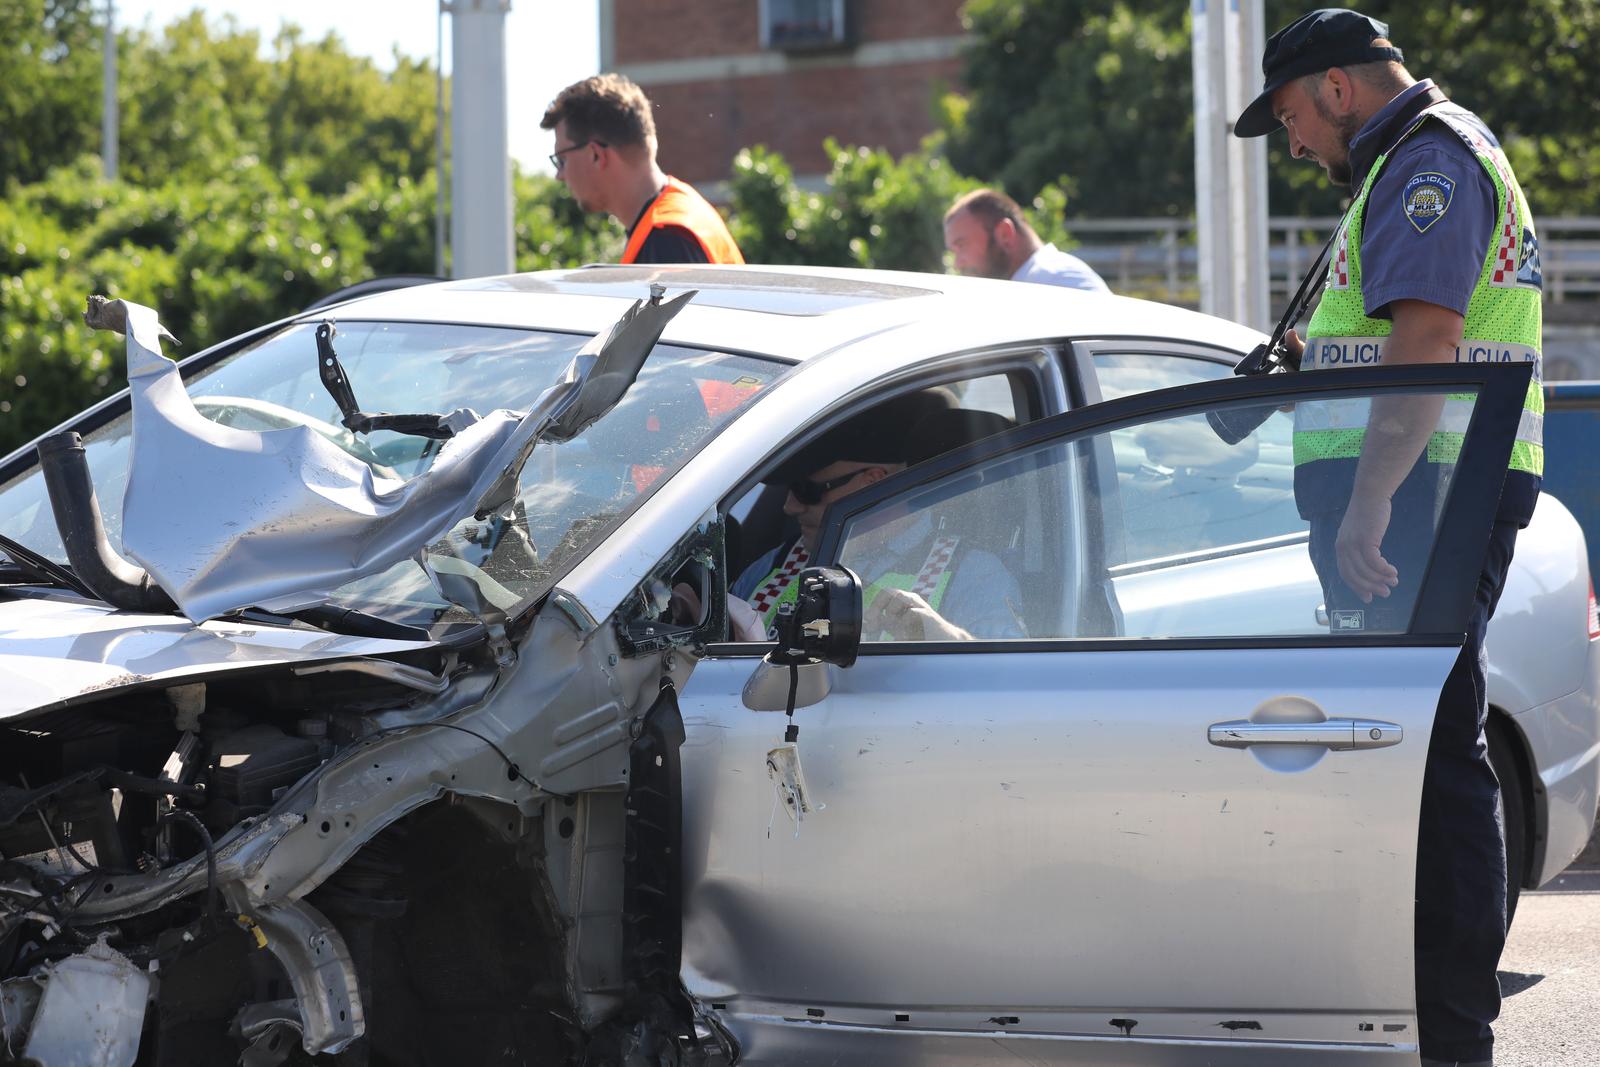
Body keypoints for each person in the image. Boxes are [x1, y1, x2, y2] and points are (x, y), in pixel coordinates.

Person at [1234, 10, 1544, 1067]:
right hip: (1429, 492)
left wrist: (1367, 503)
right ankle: (1432, 1006)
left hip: (1424, 495)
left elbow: (1423, 341)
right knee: (1425, 747)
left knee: (1429, 753)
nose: (1292, 144)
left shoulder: (1428, 162)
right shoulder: (1416, 160)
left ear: (1332, 87)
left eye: (1286, 118)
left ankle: (1448, 1019)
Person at [729, 392, 1025, 643]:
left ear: (871, 482)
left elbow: (1014, 687)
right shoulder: (774, 565)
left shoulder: (974, 575)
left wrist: (943, 637)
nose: (790, 507)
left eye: (807, 490)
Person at [540, 73, 744, 265]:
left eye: (562, 160)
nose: (559, 176)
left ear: (596, 155)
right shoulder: (677, 216)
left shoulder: (666, 239)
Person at [943, 189, 1110, 293]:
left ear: (1004, 234)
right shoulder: (1038, 282)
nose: (957, 264)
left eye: (962, 245)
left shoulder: (1055, 280)